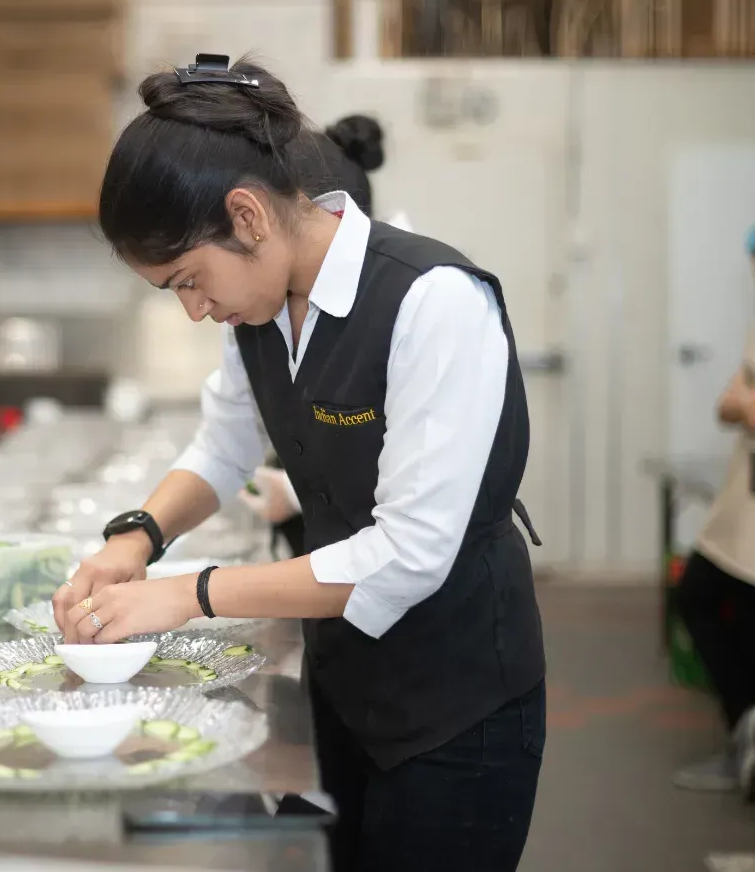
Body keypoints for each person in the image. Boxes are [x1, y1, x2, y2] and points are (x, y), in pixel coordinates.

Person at [53, 54, 546, 872]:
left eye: (189, 280)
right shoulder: (257, 310)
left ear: (246, 215)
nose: (194, 308)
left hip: (458, 702)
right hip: (343, 682)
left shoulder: (433, 300)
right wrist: (135, 539)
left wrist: (188, 593)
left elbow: (408, 553)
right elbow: (224, 446)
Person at [243, 114, 413, 558]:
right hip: (326, 560)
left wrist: (292, 494)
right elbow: (227, 431)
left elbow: (418, 511)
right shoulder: (252, 298)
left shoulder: (419, 298)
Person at [673, 225, 755, 796]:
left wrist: (745, 403)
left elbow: (741, 402)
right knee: (698, 598)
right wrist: (744, 404)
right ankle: (745, 733)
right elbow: (728, 403)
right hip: (740, 509)